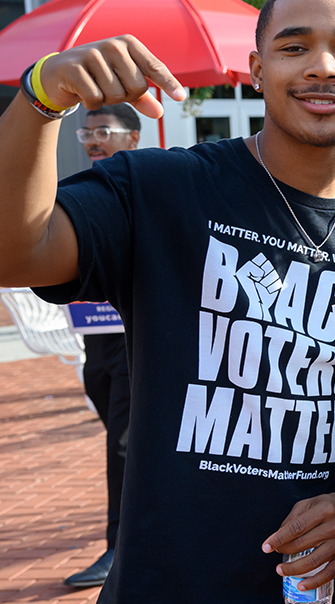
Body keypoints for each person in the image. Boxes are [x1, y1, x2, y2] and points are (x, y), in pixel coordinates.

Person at [0, 0, 335, 603]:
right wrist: (40, 100)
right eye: (294, 46)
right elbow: (16, 253)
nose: (324, 67)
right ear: (256, 69)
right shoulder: (163, 190)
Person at [64, 103, 140, 588]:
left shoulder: (145, 190)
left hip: (138, 340)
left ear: (132, 138)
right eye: (86, 132)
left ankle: (118, 548)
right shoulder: (89, 189)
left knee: (123, 443)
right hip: (98, 339)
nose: (93, 140)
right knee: (119, 435)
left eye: (104, 131)